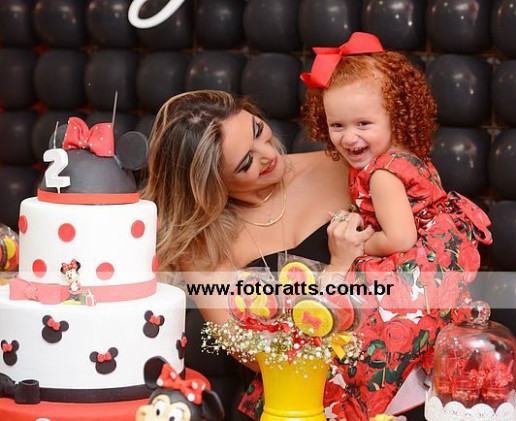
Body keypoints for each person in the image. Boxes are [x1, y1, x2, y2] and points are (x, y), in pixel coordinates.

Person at [141, 90, 375, 420]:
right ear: (212, 183)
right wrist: (338, 269)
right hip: (298, 404)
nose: (268, 154)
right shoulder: (202, 244)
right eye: (246, 162)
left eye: (258, 131)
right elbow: (253, 354)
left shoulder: (341, 165)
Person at [298, 32, 493, 419]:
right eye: (337, 125)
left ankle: (356, 404)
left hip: (411, 273)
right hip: (438, 271)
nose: (349, 137)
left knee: (355, 343)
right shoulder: (407, 157)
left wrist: (358, 245)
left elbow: (400, 238)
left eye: (363, 123)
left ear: (395, 116)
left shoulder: (382, 175)